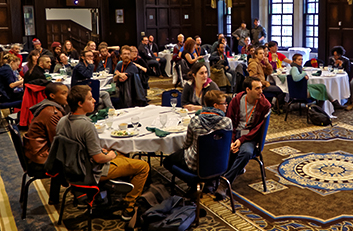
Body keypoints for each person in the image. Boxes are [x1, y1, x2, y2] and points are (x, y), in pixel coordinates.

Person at [56, 85, 150, 220]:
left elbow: (75, 147)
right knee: (143, 166)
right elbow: (99, 159)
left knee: (120, 152)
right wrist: (110, 155)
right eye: (90, 98)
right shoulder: (86, 125)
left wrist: (100, 151)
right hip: (90, 171)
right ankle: (129, 206)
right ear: (80, 104)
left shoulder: (62, 121)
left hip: (71, 169)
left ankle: (113, 188)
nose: (94, 100)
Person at [214, 77, 271, 201]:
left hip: (250, 137)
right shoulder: (236, 101)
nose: (261, 91)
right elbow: (229, 122)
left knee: (246, 152)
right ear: (248, 90)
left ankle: (224, 183)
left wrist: (242, 140)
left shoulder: (264, 105)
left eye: (261, 88)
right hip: (234, 134)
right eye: (257, 88)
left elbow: (257, 129)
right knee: (217, 144)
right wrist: (232, 141)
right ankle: (213, 178)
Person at [163, 90, 232, 175]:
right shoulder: (227, 122)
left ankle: (189, 182)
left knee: (167, 161)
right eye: (224, 103)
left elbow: (186, 144)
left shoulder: (196, 120)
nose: (226, 105)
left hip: (196, 165)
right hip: (220, 164)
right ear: (216, 105)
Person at [24, 82, 68, 204]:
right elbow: (57, 141)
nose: (67, 96)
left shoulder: (47, 106)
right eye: (63, 93)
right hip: (41, 158)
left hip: (34, 152)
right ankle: (82, 194)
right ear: (52, 96)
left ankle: (59, 193)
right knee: (79, 156)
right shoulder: (52, 112)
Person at [247, 46, 285, 111]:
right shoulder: (253, 64)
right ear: (256, 55)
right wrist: (264, 83)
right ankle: (276, 108)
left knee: (279, 85)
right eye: (260, 53)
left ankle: (269, 105)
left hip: (263, 84)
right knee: (282, 89)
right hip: (260, 87)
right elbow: (253, 78)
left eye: (263, 53)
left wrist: (267, 63)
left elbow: (269, 72)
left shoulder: (259, 63)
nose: (263, 55)